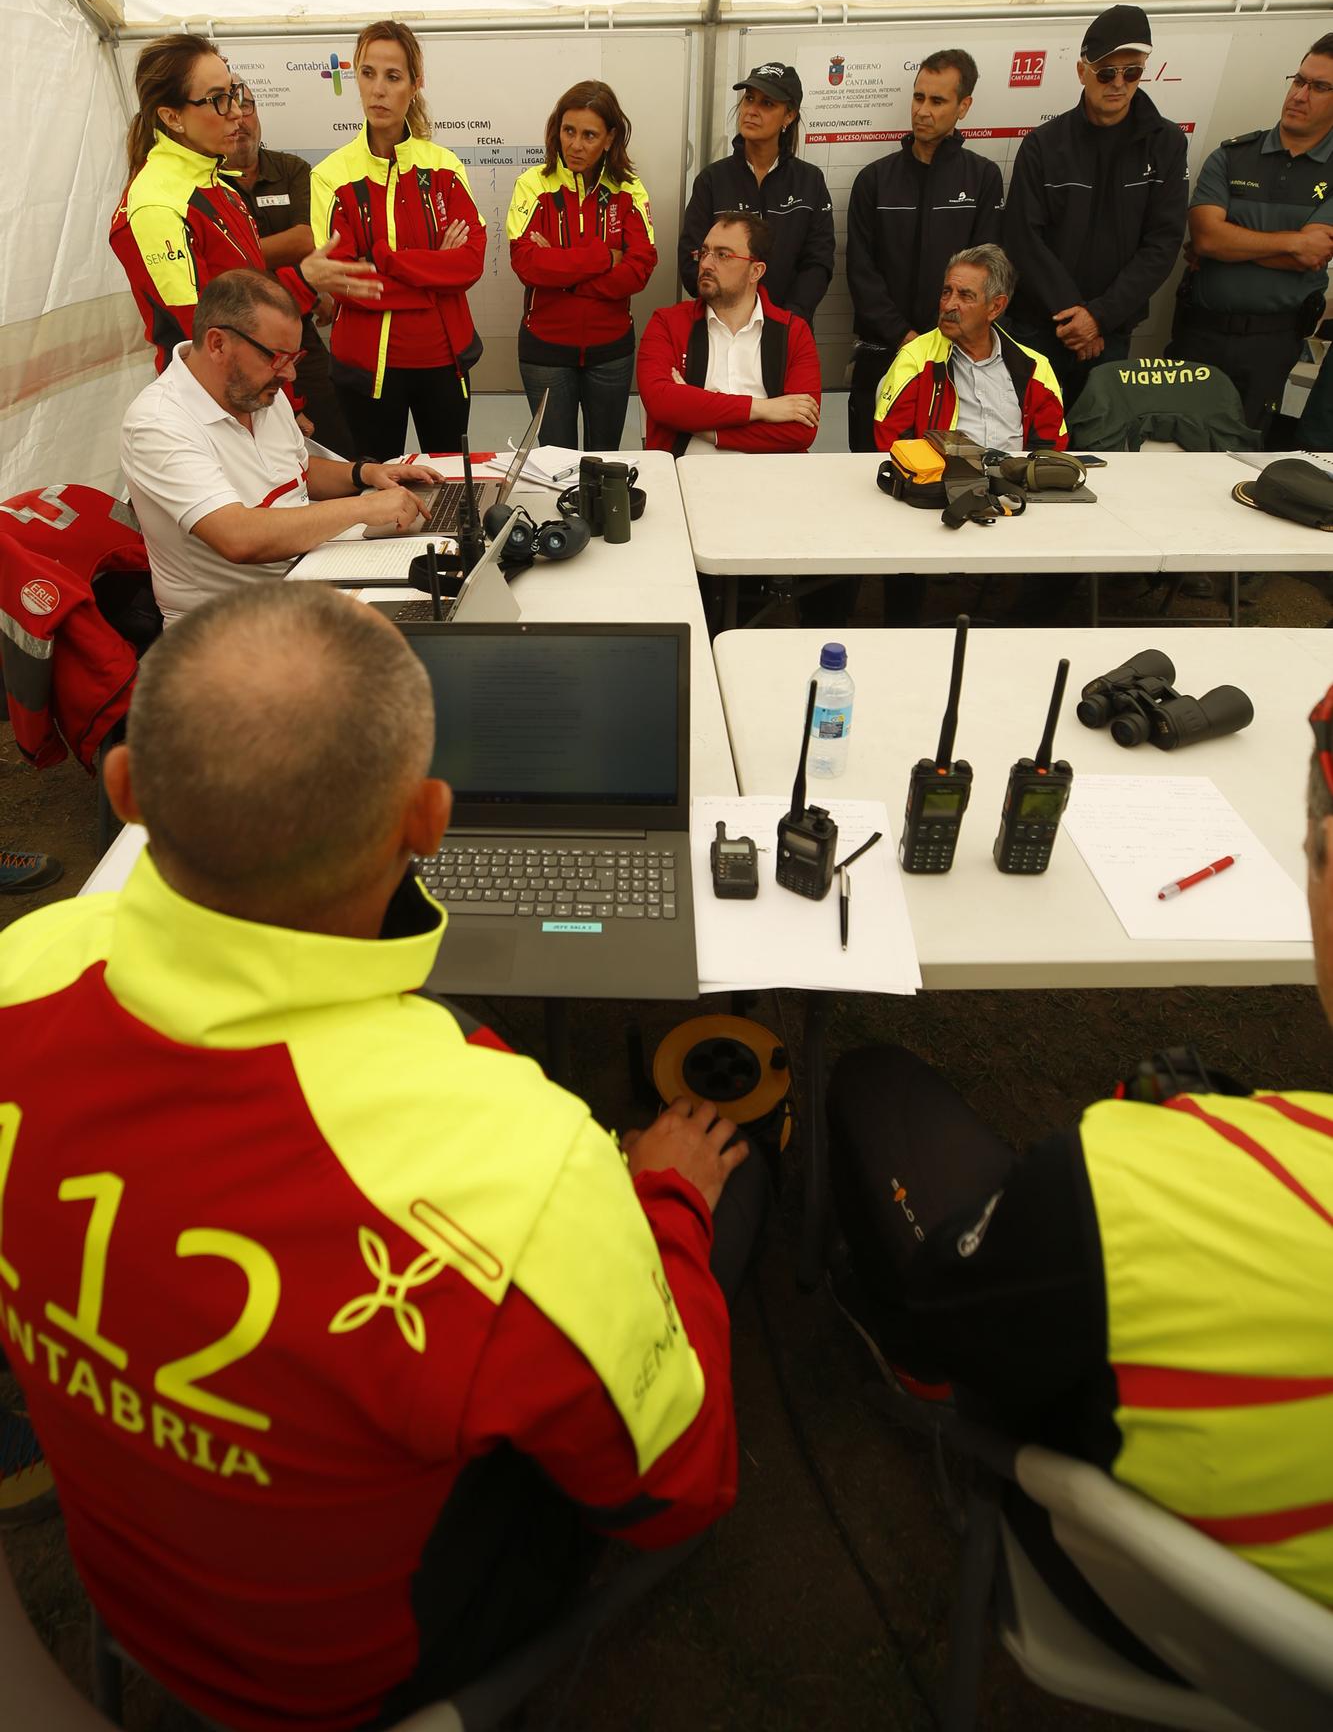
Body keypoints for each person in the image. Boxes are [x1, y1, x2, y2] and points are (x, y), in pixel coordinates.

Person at [0, 579, 754, 1729]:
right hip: (347, 1680)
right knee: (719, 1196)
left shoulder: (24, 969)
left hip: (123, 1582)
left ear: (123, 792)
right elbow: (677, 1489)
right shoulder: (523, 1168)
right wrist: (668, 1199)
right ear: (428, 822)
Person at [827, 679, 1333, 1619]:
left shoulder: (1135, 1182)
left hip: (1140, 1595)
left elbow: (963, 1307)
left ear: (1321, 853)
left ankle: (905, 1367)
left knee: (872, 1083)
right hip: (1285, 1652)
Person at [120, 270, 437, 623]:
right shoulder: (158, 423)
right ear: (217, 344)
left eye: (294, 359)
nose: (289, 375)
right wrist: (362, 509)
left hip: (304, 584)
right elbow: (238, 537)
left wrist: (365, 473)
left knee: (439, 598)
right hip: (224, 631)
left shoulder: (255, 393)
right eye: (277, 358)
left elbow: (296, 470)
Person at [109, 35, 378, 394]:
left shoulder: (214, 181)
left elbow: (246, 287)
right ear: (172, 117)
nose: (236, 111)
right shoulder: (158, 204)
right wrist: (303, 281)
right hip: (213, 402)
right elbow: (210, 335)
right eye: (218, 100)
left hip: (252, 388)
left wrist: (285, 398)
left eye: (232, 94)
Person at [310, 19, 486, 461]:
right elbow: (346, 282)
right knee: (374, 495)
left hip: (444, 364)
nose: (378, 90)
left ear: (415, 84)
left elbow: (468, 264)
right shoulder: (331, 176)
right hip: (366, 371)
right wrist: (433, 275)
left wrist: (386, 259)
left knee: (447, 481)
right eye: (368, 74)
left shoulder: (443, 166)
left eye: (393, 77)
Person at [1003, 5, 1189, 407]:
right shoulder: (1043, 144)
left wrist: (1100, 317)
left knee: (1098, 447)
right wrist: (1075, 316)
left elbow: (1162, 243)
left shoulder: (1168, 144)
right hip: (1041, 328)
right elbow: (1022, 237)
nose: (1118, 84)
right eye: (1107, 72)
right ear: (1082, 71)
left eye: (1133, 71)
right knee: (1029, 444)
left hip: (1112, 332)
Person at [1171, 33, 1333, 444]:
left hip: (1273, 343)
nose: (1300, 95)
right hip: (1201, 334)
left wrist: (1235, 244)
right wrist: (1291, 242)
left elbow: (1312, 254)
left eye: (1318, 87)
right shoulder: (1233, 155)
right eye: (1298, 81)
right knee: (1175, 446)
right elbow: (1206, 238)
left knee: (1244, 455)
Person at [845, 50, 1003, 451]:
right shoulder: (874, 180)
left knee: (947, 473)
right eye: (918, 98)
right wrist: (904, 337)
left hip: (956, 356)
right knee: (868, 472)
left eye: (937, 101)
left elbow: (985, 271)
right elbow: (860, 271)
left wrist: (939, 340)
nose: (923, 111)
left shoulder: (983, 177)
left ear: (963, 106)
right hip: (883, 352)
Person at [506, 80, 657, 448]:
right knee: (556, 463)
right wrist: (603, 257)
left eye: (589, 135)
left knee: (602, 462)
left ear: (609, 139)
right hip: (545, 351)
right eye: (568, 131)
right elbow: (526, 263)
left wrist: (564, 277)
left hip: (611, 352)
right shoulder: (533, 184)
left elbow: (639, 268)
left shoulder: (628, 189)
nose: (575, 144)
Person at [224, 97, 352, 454]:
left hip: (299, 327)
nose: (240, 120)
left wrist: (241, 256)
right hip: (239, 339)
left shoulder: (291, 169)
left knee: (336, 440)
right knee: (260, 446)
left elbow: (306, 238)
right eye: (230, 110)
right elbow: (223, 269)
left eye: (247, 107)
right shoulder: (211, 186)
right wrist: (292, 268)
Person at [637, 213, 820, 454]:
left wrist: (705, 429)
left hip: (770, 477)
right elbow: (661, 402)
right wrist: (762, 408)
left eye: (722, 255)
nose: (705, 264)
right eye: (704, 252)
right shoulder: (667, 323)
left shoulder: (793, 332)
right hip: (686, 475)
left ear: (756, 271)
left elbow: (801, 431)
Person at [678, 64, 835, 327]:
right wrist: (734, 313)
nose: (752, 110)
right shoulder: (712, 180)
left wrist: (788, 319)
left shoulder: (810, 181)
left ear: (789, 115)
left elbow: (818, 263)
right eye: (749, 98)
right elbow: (691, 260)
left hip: (787, 328)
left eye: (767, 103)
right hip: (721, 327)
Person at [873, 245, 1066, 453]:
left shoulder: (1036, 368)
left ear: (995, 307)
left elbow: (1051, 450)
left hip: (1017, 481)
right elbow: (892, 445)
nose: (948, 305)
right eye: (946, 292)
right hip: (941, 481)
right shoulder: (915, 358)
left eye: (965, 296)